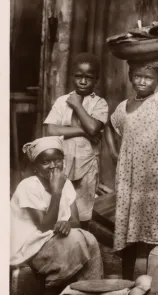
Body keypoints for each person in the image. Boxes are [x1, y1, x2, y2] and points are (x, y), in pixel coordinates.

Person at [105, 33, 158, 280]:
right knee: (128, 228)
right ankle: (127, 281)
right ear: (131, 77)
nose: (142, 81)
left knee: (148, 227)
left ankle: (150, 281)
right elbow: (110, 126)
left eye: (148, 77)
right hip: (129, 176)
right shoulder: (124, 106)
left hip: (153, 176)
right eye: (138, 76)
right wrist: (113, 151)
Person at [10, 136, 103, 295]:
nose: (53, 166)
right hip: (31, 247)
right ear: (35, 168)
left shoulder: (66, 184)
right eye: (46, 162)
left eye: (57, 160)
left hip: (55, 241)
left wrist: (67, 223)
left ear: (63, 162)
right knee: (76, 239)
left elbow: (75, 220)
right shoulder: (28, 186)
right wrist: (56, 191)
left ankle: (91, 291)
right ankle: (55, 289)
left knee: (89, 238)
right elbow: (44, 227)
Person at [44, 52, 109, 229]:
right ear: (73, 76)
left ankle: (82, 244)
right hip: (62, 163)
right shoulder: (62, 101)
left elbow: (95, 128)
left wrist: (78, 105)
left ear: (96, 79)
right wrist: (84, 131)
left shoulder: (100, 103)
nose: (82, 81)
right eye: (79, 76)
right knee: (59, 206)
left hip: (86, 166)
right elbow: (51, 129)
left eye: (88, 77)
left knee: (83, 213)